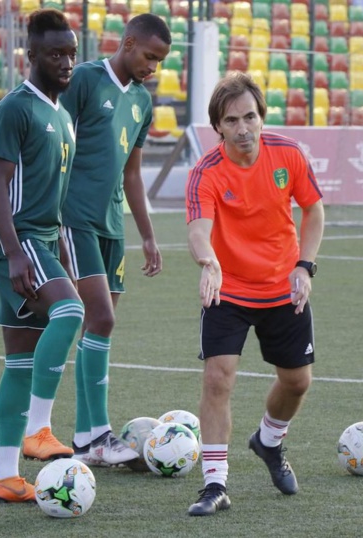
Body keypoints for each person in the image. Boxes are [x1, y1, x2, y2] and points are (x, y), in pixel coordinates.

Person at [184, 72, 325, 516]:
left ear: (262, 117)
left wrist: (305, 265)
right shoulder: (205, 172)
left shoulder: (288, 154)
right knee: (217, 378)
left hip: (284, 286)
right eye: (232, 120)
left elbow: (314, 210)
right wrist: (209, 263)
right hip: (228, 287)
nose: (243, 128)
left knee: (297, 382)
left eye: (250, 116)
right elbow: (198, 231)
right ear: (219, 127)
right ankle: (214, 485)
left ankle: (268, 441)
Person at [58, 13, 171, 466]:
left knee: (98, 327)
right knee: (100, 317)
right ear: (127, 43)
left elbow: (132, 173)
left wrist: (146, 234)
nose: (153, 67)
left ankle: (87, 441)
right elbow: (53, 145)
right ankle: (97, 435)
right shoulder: (85, 80)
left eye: (160, 61)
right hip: (75, 218)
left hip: (111, 224)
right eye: (149, 56)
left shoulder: (142, 100)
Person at [0, 9, 82, 503]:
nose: (65, 62)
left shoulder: (63, 117)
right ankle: (38, 430)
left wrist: (60, 244)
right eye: (55, 53)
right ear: (32, 56)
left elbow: (53, 193)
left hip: (43, 241)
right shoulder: (15, 108)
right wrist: (15, 251)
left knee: (20, 361)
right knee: (70, 313)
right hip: (19, 241)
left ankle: (4, 476)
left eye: (71, 54)